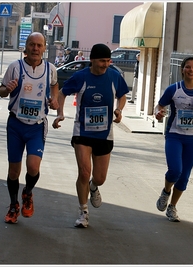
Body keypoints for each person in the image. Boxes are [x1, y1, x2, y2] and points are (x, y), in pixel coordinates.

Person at [52, 43, 128, 228]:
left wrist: (118, 110)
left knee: (99, 177)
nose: (105, 64)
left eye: (108, 61)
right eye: (102, 61)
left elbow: (123, 95)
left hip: (104, 133)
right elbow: (62, 93)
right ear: (92, 60)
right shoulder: (81, 77)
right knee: (84, 172)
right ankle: (83, 212)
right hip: (83, 131)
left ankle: (94, 187)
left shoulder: (114, 76)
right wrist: (60, 113)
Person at [0, 32, 59, 224]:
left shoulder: (50, 69)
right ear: (26, 47)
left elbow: (55, 85)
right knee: (14, 171)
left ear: (44, 48)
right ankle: (14, 204)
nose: (35, 48)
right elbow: (1, 91)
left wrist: (54, 99)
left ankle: (28, 193)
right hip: (16, 124)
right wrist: (7, 89)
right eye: (32, 44)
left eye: (39, 45)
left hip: (36, 126)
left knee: (33, 167)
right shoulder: (15, 67)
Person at [155, 57, 193, 222]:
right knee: (175, 170)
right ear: (182, 69)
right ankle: (166, 192)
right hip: (174, 135)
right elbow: (160, 106)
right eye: (188, 67)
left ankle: (172, 207)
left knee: (184, 176)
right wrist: (158, 113)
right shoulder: (174, 89)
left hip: (192, 138)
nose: (191, 70)